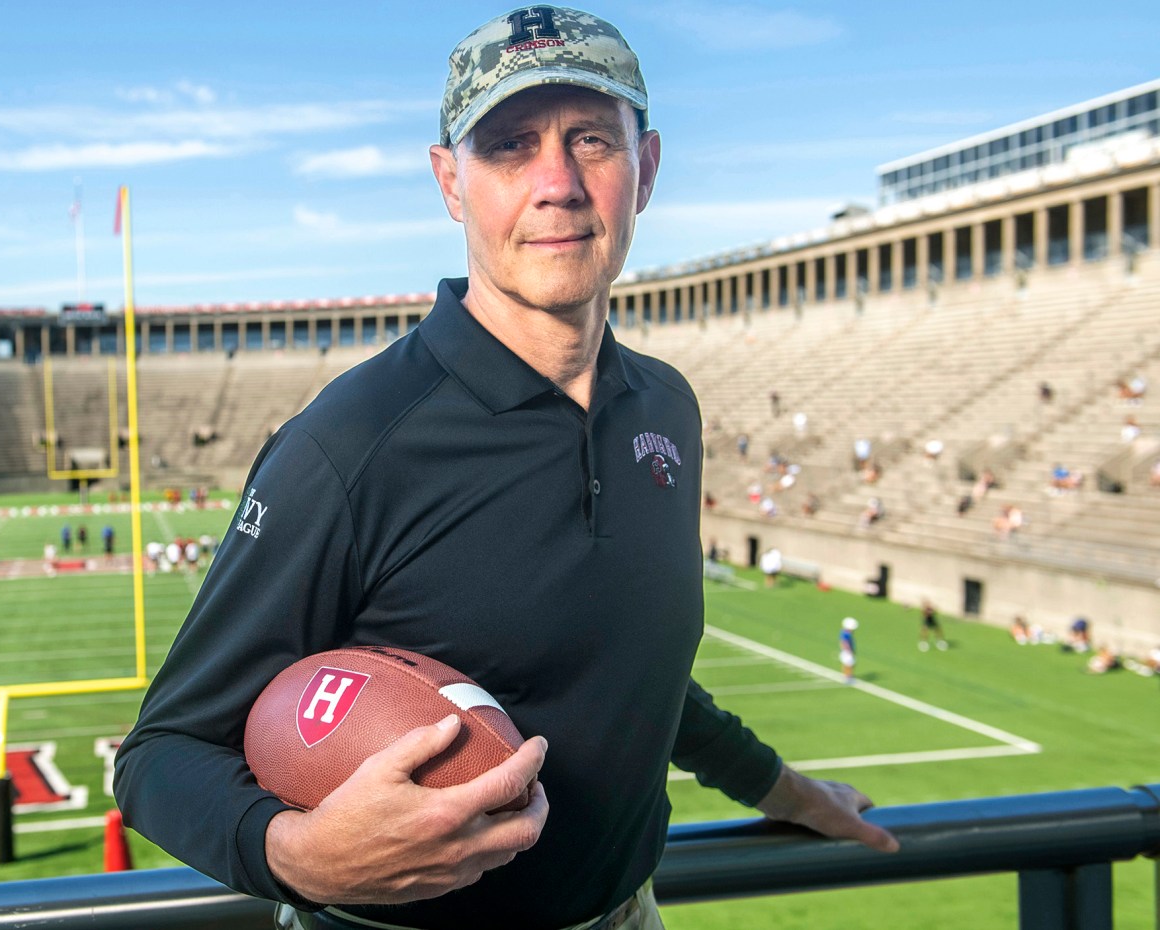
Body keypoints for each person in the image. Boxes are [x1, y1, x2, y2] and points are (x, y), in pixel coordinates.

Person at [114, 9, 897, 930]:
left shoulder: (665, 410)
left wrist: (786, 791)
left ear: (645, 168)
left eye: (591, 140)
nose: (557, 184)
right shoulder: (351, 442)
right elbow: (160, 754)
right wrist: (298, 856)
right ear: (452, 183)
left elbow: (634, 669)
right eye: (510, 147)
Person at [839, 617, 859, 683]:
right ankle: (848, 677)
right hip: (847, 651)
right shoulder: (846, 634)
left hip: (846, 651)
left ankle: (847, 676)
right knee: (849, 665)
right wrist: (848, 650)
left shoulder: (844, 632)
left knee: (848, 664)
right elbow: (844, 642)